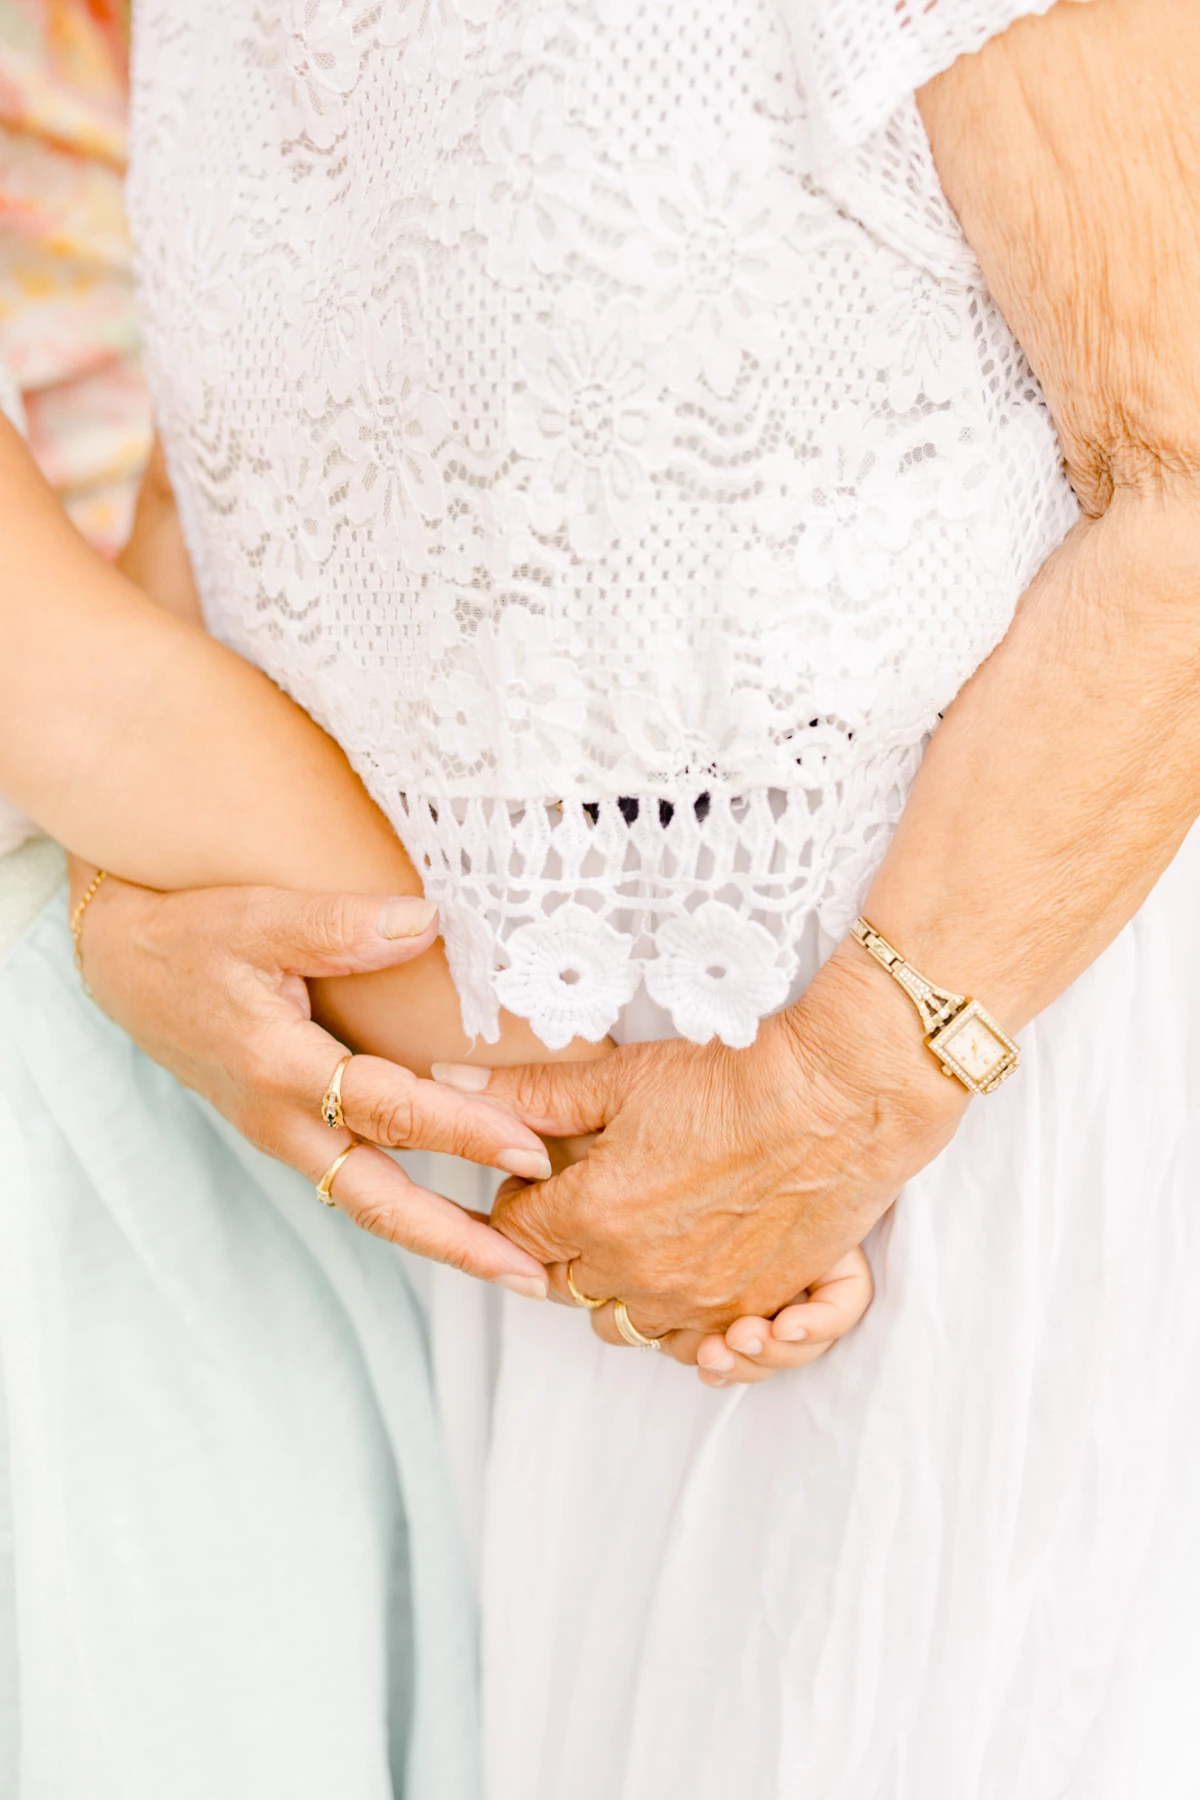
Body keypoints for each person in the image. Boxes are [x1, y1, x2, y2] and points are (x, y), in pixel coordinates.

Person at [4, 0, 1200, 1796]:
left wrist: (851, 1080)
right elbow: (257, 513)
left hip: (951, 1131)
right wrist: (136, 913)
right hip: (516, 1230)